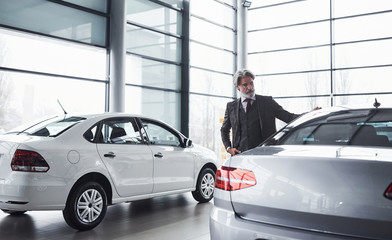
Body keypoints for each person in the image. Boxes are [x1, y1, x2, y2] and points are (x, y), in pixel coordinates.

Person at [221, 69, 302, 156]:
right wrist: (229, 148)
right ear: (237, 87)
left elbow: (288, 117)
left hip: (265, 155)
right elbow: (224, 130)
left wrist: (310, 114)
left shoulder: (267, 102)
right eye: (245, 85)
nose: (250, 87)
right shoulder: (231, 107)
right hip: (240, 156)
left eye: (251, 83)